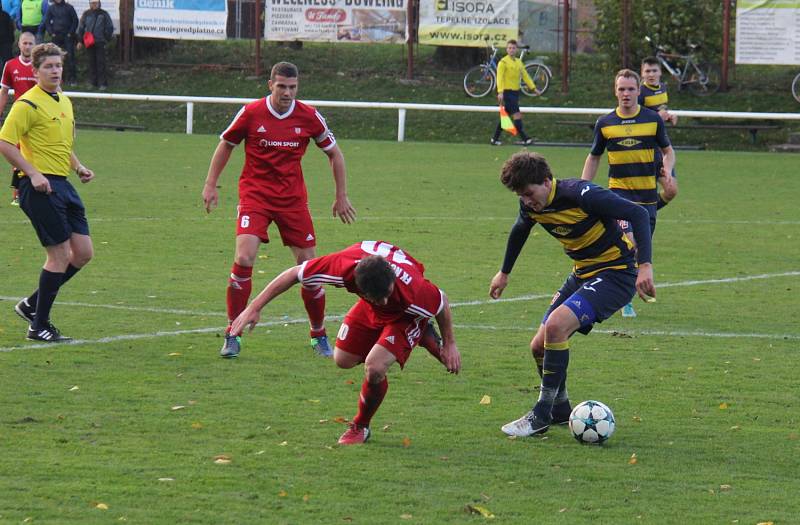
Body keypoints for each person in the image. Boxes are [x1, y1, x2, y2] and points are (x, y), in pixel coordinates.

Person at [230, 240, 461, 445]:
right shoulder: (342, 268)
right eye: (377, 297)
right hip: (371, 309)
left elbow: (441, 303)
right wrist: (254, 307)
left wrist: (449, 343)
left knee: (375, 366)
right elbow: (294, 274)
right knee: (343, 360)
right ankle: (403, 332)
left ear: (391, 279)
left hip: (405, 316)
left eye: (387, 294)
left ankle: (360, 426)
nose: (383, 300)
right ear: (357, 286)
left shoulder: (414, 291)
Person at [490, 151, 655, 437]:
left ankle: (540, 414)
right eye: (520, 195)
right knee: (538, 347)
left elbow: (637, 213)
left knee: (556, 326)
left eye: (529, 193)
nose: (527, 201)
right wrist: (504, 272)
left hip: (616, 273)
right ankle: (560, 409)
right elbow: (520, 229)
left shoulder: (582, 194)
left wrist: (646, 267)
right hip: (583, 274)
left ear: (546, 181)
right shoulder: (530, 205)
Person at [203, 61, 357, 359]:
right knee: (244, 256)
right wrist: (211, 184)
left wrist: (341, 195)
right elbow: (226, 144)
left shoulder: (309, 116)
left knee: (310, 270)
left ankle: (318, 334)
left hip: (292, 201)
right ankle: (232, 332)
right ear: (270, 84)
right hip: (255, 196)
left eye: (293, 87)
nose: (287, 93)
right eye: (282, 86)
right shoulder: (251, 113)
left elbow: (334, 154)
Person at [0, 42, 96, 342]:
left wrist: (78, 166)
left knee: (82, 253)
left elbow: (62, 145)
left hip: (63, 185)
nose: (55, 71)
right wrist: (32, 173)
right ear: (36, 70)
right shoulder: (26, 104)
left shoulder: (64, 102)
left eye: (58, 66)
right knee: (59, 255)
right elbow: (4, 142)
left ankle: (31, 304)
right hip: (39, 187)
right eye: (49, 67)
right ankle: (38, 326)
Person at [580, 68, 675, 318]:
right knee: (629, 244)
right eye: (621, 89)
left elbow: (668, 150)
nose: (626, 93)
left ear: (638, 91)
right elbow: (594, 157)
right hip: (619, 196)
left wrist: (667, 169)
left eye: (631, 89)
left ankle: (627, 293)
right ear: (615, 91)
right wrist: (581, 188)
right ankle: (624, 299)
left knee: (640, 249)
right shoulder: (605, 123)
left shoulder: (653, 120)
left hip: (647, 199)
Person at [0, 31, 37, 206]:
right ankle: (18, 194)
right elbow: (4, 92)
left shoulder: (40, 66)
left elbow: (56, 90)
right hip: (19, 118)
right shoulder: (10, 65)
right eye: (25, 43)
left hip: (37, 118)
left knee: (35, 154)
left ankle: (33, 190)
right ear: (19, 44)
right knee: (16, 155)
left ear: (35, 45)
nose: (28, 46)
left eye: (31, 43)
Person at [639, 56, 679, 210]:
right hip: (644, 147)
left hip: (660, 146)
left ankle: (643, 212)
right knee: (643, 191)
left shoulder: (662, 87)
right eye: (647, 71)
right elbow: (637, 117)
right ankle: (640, 215)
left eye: (654, 70)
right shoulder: (640, 92)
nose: (651, 74)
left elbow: (661, 110)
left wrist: (669, 116)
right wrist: (657, 116)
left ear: (660, 72)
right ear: (642, 73)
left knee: (671, 190)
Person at [490, 39, 535, 147]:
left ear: (516, 50)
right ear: (507, 49)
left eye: (513, 48)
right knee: (517, 114)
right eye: (509, 48)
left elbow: (525, 75)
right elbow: (499, 78)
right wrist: (500, 92)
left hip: (515, 92)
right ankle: (525, 139)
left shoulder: (518, 62)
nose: (511, 50)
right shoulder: (503, 62)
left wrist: (533, 88)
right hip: (507, 92)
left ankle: (494, 139)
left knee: (505, 117)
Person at [76, 0, 113, 90]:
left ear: (99, 3)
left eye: (96, 3)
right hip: (89, 42)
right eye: (92, 3)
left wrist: (106, 39)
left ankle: (103, 84)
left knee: (101, 63)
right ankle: (93, 82)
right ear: (89, 3)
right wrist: (80, 41)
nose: (94, 4)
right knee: (91, 62)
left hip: (100, 42)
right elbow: (81, 27)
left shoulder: (104, 14)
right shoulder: (86, 14)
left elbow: (109, 27)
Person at [45, 0, 79, 86]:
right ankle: (60, 79)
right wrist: (51, 33)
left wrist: (70, 33)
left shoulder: (69, 7)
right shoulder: (51, 8)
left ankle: (72, 79)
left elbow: (75, 20)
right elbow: (47, 21)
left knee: (70, 57)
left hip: (67, 36)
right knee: (56, 58)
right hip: (56, 36)